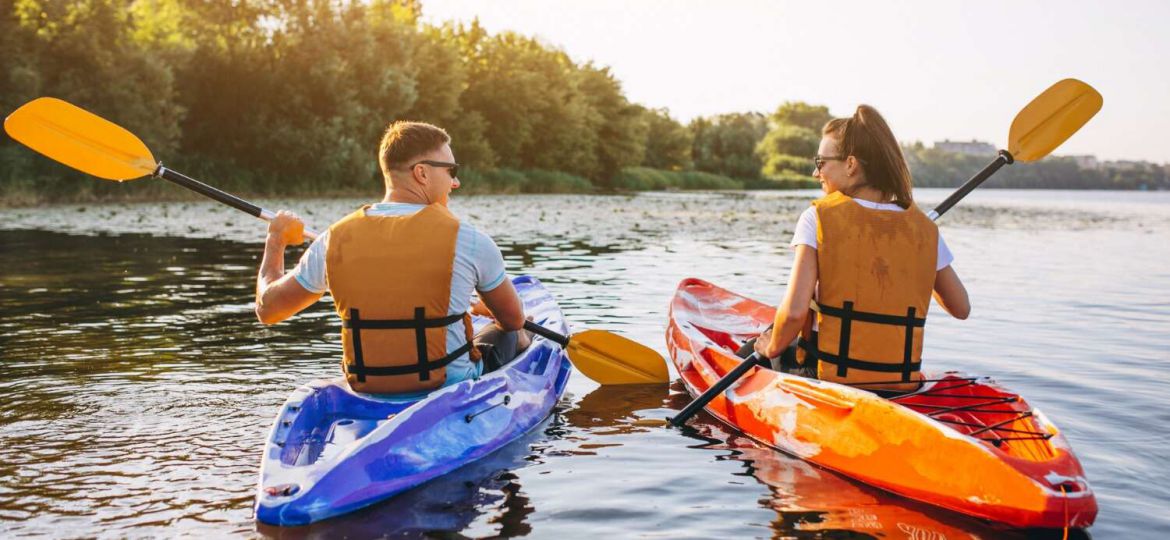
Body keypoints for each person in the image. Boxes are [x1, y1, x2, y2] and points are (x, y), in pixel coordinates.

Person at [254, 121, 531, 395]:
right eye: (451, 171)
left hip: (368, 385)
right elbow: (512, 319)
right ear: (422, 173)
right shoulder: (469, 239)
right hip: (448, 386)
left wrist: (276, 239)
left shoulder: (333, 238)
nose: (455, 182)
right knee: (514, 333)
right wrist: (490, 310)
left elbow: (268, 309)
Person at [745, 105, 971, 392]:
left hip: (827, 377)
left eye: (821, 161)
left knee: (752, 349)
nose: (817, 172)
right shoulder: (923, 229)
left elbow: (793, 314)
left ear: (850, 164)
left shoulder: (818, 217)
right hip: (899, 383)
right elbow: (961, 307)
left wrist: (771, 348)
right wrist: (919, 256)